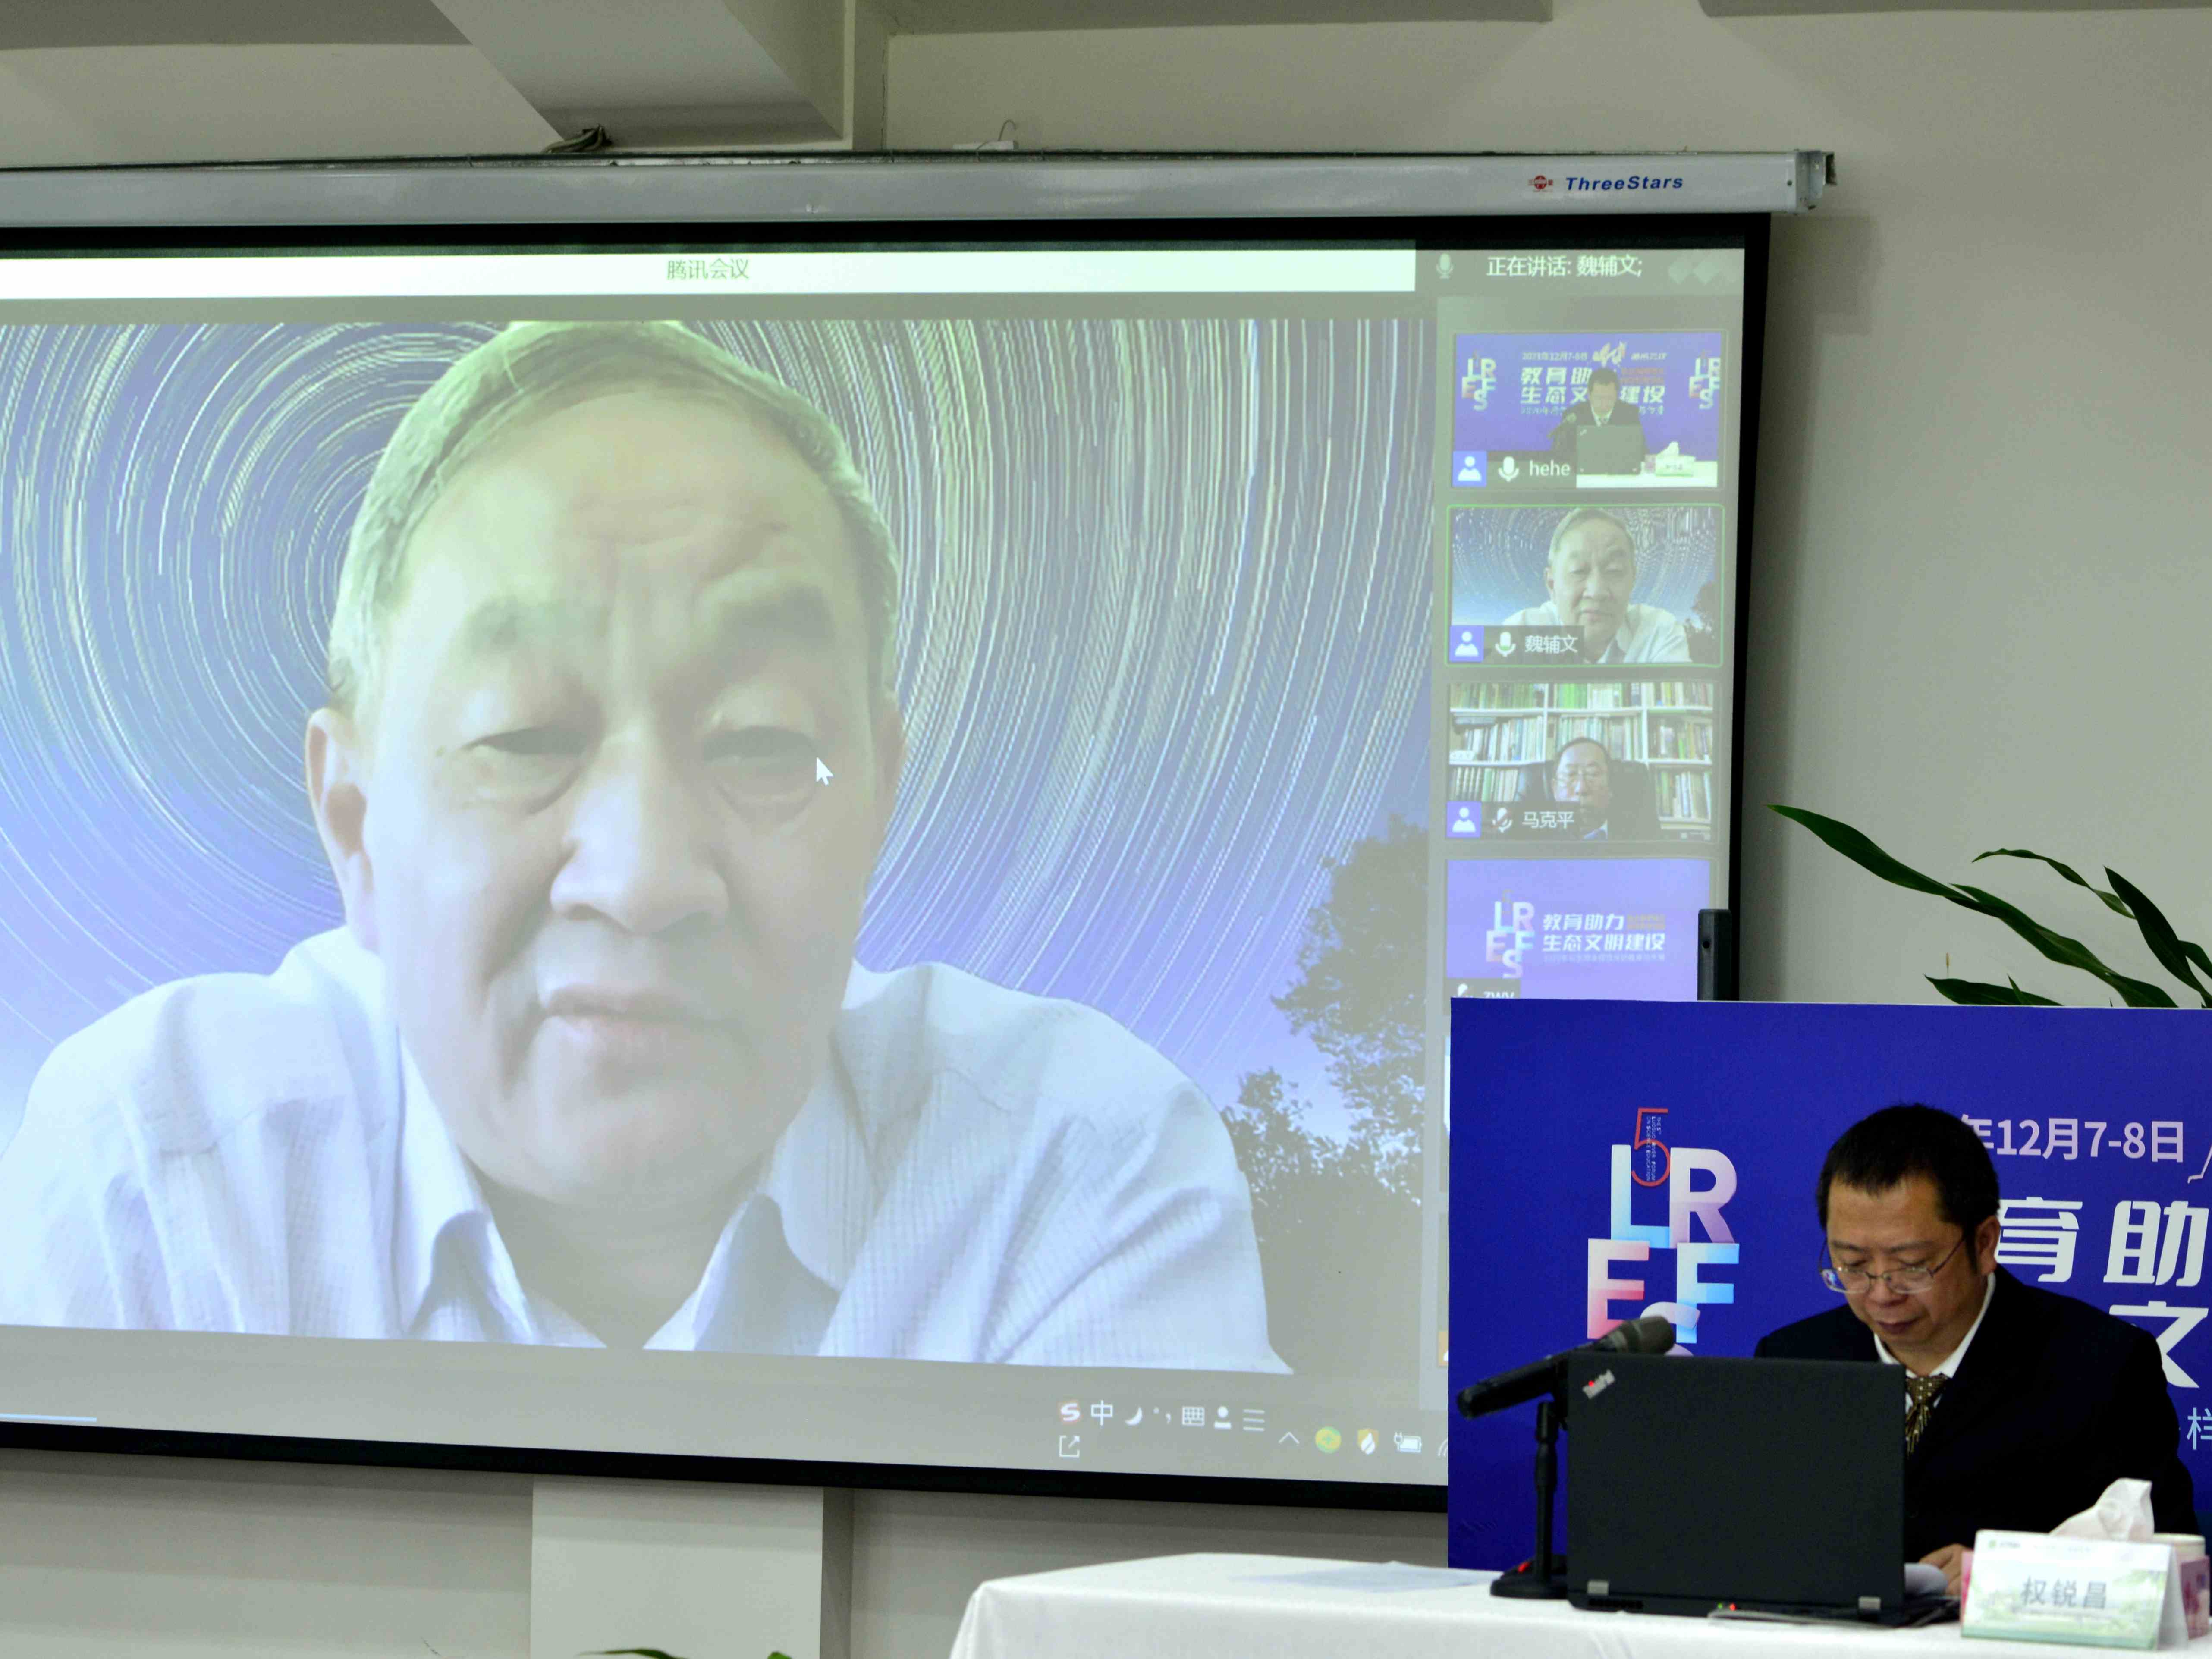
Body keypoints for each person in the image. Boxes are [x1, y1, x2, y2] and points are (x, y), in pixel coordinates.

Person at [0, 320, 1283, 1370]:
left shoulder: (1066, 1175)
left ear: (878, 800)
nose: (644, 878)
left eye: (763, 740)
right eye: (523, 737)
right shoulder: (162, 1173)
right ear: (355, 827)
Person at [1757, 1106, 2193, 1592]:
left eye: (1912, 1266)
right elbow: (1748, 1540)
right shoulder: (1792, 1361)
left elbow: (2170, 1568)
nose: (1881, 1294)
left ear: (1984, 1243)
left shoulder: (2100, 1367)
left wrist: (2009, 1575)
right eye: (1853, 1265)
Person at [1501, 508, 1689, 664]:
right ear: (1552, 585)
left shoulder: (1658, 632)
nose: (1597, 592)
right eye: (1578, 571)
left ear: (1633, 580)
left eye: (1614, 570)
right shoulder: (1519, 634)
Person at [1548, 365, 1644, 460]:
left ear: (1617, 395)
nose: (1604, 402)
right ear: (1589, 395)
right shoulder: (1574, 415)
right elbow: (1561, 455)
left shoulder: (1629, 414)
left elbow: (1642, 452)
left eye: (1609, 397)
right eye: (1599, 398)